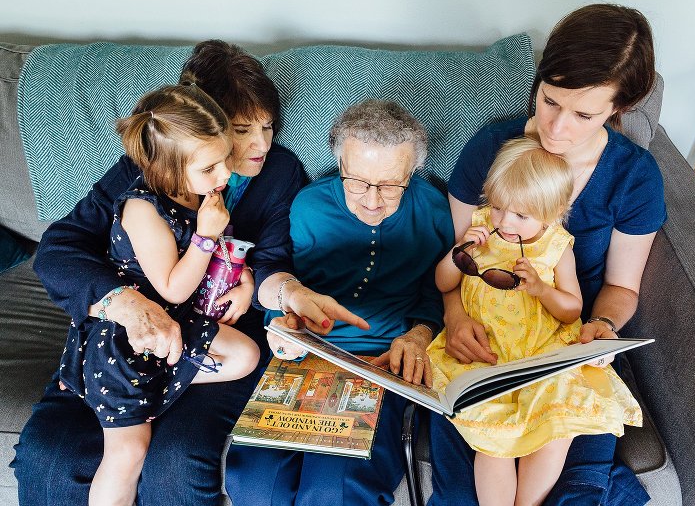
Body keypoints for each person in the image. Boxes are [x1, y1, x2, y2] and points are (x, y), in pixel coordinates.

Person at [13, 40, 365, 506]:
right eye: (242, 130)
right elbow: (59, 248)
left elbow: (273, 263)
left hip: (213, 338)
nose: (261, 144)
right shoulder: (148, 171)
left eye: (268, 126)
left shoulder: (279, 172)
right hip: (124, 334)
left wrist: (282, 291)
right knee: (49, 455)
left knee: (176, 461)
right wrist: (125, 303)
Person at [430, 4, 665, 506]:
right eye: (549, 100)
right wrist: (453, 316)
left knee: (574, 489)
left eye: (584, 115)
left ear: (619, 107)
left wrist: (600, 327)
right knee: (463, 492)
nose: (555, 128)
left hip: (563, 344)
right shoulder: (492, 150)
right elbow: (460, 260)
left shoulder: (633, 177)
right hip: (484, 342)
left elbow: (621, 287)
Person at [225, 99, 455, 505]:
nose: (372, 201)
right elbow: (285, 279)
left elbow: (436, 290)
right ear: (340, 164)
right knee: (255, 481)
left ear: (411, 173)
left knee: (336, 490)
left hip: (382, 364)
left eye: (390, 185)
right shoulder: (309, 205)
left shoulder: (434, 208)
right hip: (306, 357)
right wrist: (284, 324)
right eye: (357, 182)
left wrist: (419, 335)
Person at [63, 84, 261, 506]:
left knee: (245, 356)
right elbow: (172, 286)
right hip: (128, 335)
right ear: (166, 169)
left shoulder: (194, 191)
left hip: (175, 320)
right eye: (209, 168)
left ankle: (152, 385)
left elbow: (200, 271)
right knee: (128, 453)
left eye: (225, 158)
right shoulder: (143, 209)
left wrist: (241, 277)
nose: (225, 175)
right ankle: (117, 387)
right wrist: (205, 236)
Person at [427, 137, 642, 506]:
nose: (504, 222)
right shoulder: (480, 230)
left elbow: (572, 309)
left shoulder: (556, 247)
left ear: (553, 212)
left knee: (555, 430)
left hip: (541, 351)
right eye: (498, 207)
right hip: (487, 352)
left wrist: (542, 289)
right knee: (493, 441)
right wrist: (458, 254)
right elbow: (443, 282)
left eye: (521, 216)